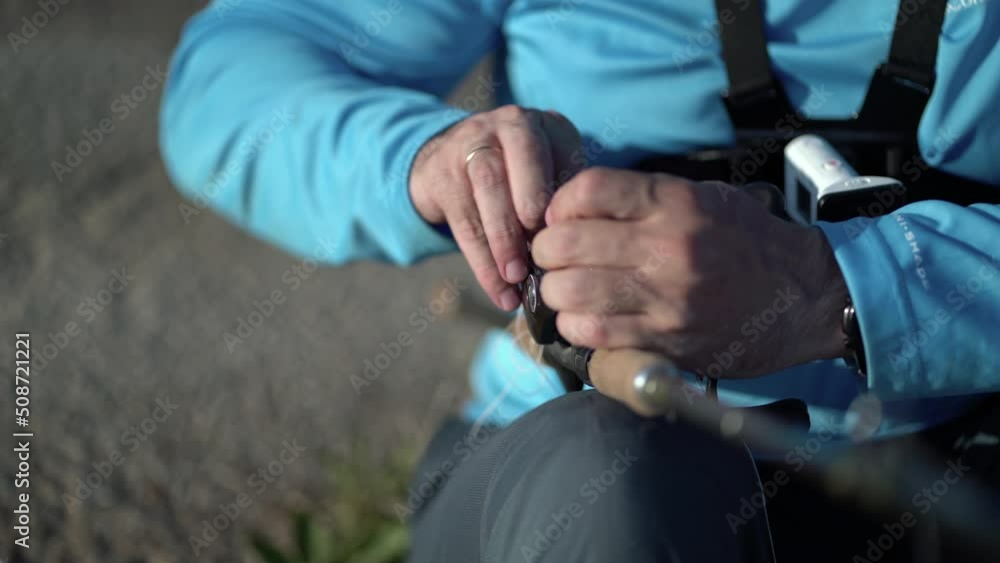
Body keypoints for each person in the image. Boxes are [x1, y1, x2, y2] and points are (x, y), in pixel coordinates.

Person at [160, 0, 1000, 561]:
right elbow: (230, 72)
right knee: (613, 479)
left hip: (969, 440)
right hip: (582, 461)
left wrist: (836, 288)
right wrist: (424, 159)